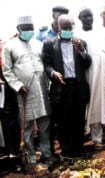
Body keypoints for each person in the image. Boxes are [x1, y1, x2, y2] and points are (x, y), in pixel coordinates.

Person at [2, 16, 52, 166]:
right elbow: (7, 70)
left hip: (41, 89)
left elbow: (45, 64)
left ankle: (46, 153)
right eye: (26, 29)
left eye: (31, 28)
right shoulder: (9, 46)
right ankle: (31, 157)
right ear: (18, 29)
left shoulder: (38, 44)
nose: (29, 31)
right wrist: (17, 85)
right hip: (24, 92)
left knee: (45, 123)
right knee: (28, 125)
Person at [42, 14, 91, 158]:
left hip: (78, 86)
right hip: (61, 87)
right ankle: (67, 151)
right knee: (64, 121)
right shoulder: (49, 44)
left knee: (79, 119)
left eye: (71, 27)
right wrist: (53, 73)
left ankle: (78, 150)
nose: (69, 30)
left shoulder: (80, 42)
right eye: (65, 28)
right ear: (58, 27)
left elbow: (87, 63)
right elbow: (46, 64)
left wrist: (82, 50)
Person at [77, 5, 105, 149]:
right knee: (95, 105)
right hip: (91, 74)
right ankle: (97, 139)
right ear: (80, 19)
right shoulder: (78, 35)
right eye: (85, 16)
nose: (88, 19)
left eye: (90, 16)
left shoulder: (101, 31)